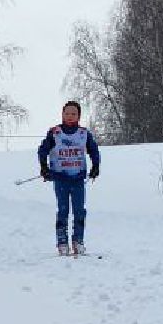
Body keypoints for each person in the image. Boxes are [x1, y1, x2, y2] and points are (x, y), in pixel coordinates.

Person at [38, 100, 102, 256]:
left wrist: (95, 166)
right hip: (60, 179)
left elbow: (94, 151)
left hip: (78, 179)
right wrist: (44, 168)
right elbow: (43, 151)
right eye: (67, 113)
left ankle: (78, 241)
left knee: (79, 211)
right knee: (63, 211)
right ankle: (62, 243)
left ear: (79, 116)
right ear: (62, 114)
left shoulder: (83, 134)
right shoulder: (55, 133)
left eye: (73, 114)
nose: (70, 116)